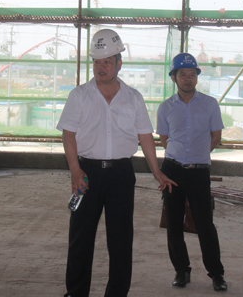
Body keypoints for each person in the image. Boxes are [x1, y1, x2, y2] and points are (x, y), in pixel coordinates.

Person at [56, 28, 177, 297]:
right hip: (87, 173)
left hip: (121, 174)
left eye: (107, 61)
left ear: (119, 64)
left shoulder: (133, 97)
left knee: (121, 240)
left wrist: (157, 172)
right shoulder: (79, 95)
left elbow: (145, 137)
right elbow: (68, 134)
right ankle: (76, 292)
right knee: (80, 238)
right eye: (97, 62)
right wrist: (75, 170)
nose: (101, 67)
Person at [156, 52, 228, 292]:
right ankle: (181, 271)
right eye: (182, 74)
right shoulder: (165, 107)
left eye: (192, 74)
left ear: (197, 77)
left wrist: (197, 155)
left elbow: (216, 136)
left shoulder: (210, 104)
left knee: (205, 224)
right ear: (174, 78)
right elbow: (164, 139)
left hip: (199, 173)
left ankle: (216, 274)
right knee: (174, 224)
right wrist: (180, 157)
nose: (188, 79)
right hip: (172, 171)